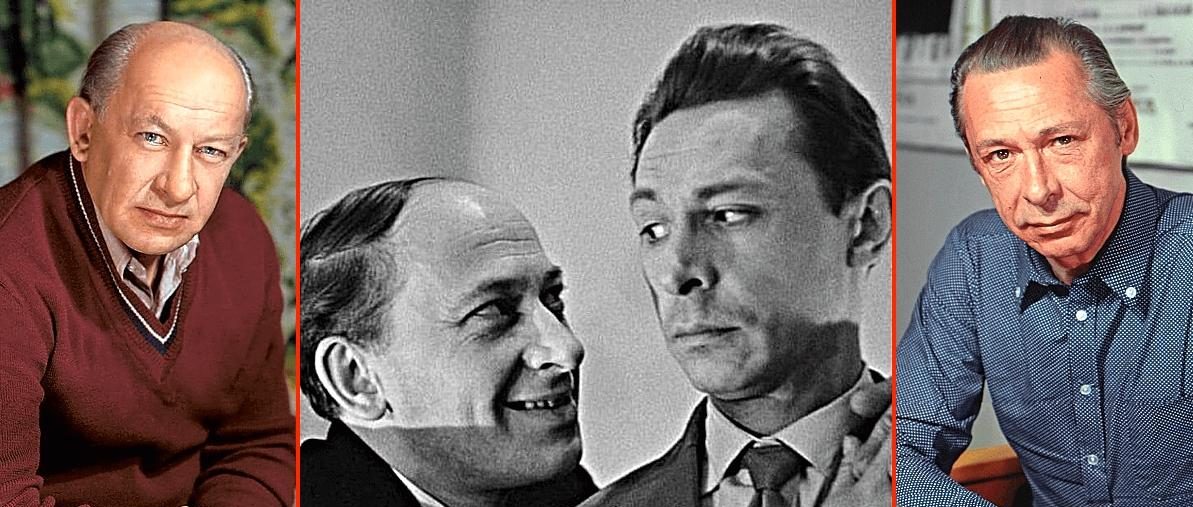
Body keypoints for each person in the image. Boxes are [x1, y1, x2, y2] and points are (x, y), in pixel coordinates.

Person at [581, 23, 893, 507]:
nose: (678, 272)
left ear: (866, 225)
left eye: (728, 214)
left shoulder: (986, 471)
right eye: (654, 228)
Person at [895, 15, 1193, 506]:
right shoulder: (976, 258)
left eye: (1062, 141)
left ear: (1124, 128)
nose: (1038, 190)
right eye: (1001, 155)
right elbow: (898, 449)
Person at [0, 22, 294, 507]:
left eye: (210, 151)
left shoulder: (241, 236)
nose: (177, 187)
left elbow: (255, 446)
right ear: (84, 131)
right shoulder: (11, 266)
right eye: (152, 137)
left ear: (237, 153)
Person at [299, 178, 597, 507]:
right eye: (494, 310)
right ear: (356, 379)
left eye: (552, 298)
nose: (568, 349)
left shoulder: (562, 493)